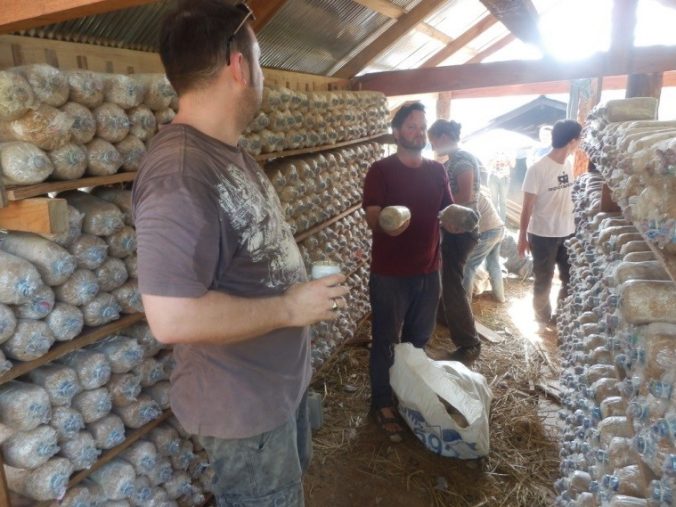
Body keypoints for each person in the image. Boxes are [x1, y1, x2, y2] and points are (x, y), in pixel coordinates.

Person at [131, 2, 349, 505]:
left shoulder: (226, 152)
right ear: (238, 66)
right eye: (260, 61)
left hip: (275, 393)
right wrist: (291, 307)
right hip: (244, 412)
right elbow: (171, 318)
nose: (262, 75)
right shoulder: (180, 173)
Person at [362, 102, 453, 442]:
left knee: (418, 341)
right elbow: (373, 216)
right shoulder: (381, 170)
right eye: (411, 126)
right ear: (397, 132)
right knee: (385, 340)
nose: (418, 133)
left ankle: (408, 395)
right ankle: (382, 402)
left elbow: (447, 211)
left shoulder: (437, 170)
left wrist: (459, 220)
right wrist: (386, 222)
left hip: (428, 270)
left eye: (422, 127)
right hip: (390, 274)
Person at [427, 119, 482, 364]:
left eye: (433, 141)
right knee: (448, 281)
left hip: (461, 231)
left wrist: (435, 203)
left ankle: (469, 343)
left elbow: (464, 196)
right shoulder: (451, 162)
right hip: (453, 230)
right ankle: (447, 319)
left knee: (452, 287)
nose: (432, 146)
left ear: (444, 137)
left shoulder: (462, 160)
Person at [518, 119, 582, 326]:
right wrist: (522, 237)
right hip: (542, 234)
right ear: (572, 141)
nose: (579, 144)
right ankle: (543, 317)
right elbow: (527, 207)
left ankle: (561, 316)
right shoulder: (537, 169)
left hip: (568, 232)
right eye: (579, 140)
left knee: (570, 278)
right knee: (543, 280)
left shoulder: (569, 164)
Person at [463, 190, 506, 303]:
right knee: (494, 264)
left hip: (489, 231)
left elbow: (468, 225)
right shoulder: (477, 193)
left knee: (469, 265)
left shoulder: (468, 196)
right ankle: (500, 297)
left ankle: (465, 302)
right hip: (499, 228)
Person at [487, 150, 512, 222]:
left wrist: (507, 160)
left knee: (503, 201)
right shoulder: (491, 150)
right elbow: (487, 164)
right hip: (493, 177)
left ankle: (502, 222)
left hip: (504, 178)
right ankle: (494, 221)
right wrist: (494, 160)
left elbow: (513, 164)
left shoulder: (510, 151)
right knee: (494, 200)